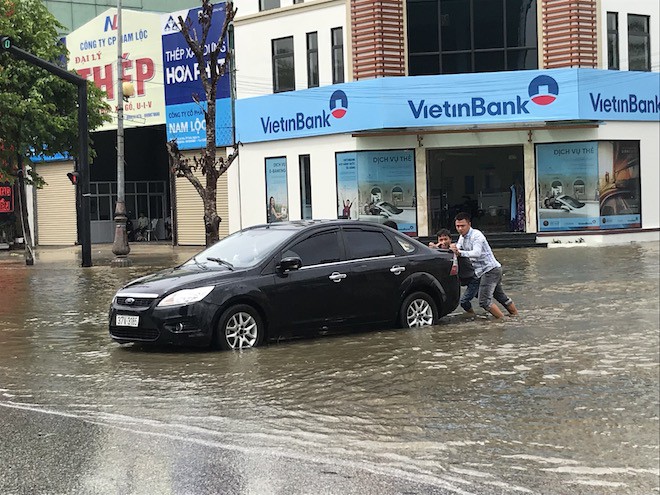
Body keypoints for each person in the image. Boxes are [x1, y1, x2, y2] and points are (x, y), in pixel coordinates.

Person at [450, 212, 518, 319]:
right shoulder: (462, 237)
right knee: (500, 296)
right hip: (484, 272)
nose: (460, 229)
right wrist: (452, 248)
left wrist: (460, 253)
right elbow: (457, 248)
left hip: (490, 270)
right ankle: (516, 316)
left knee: (484, 301)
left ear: (469, 224)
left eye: (462, 226)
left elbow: (476, 253)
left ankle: (503, 321)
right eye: (457, 226)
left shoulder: (477, 235)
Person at [429, 229, 479, 314]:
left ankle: (473, 316)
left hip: (473, 279)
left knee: (465, 302)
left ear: (450, 239)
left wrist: (453, 248)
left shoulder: (455, 248)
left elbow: (454, 249)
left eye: (446, 239)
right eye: (441, 240)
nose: (443, 242)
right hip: (462, 280)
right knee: (485, 297)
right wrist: (433, 248)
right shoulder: (439, 250)